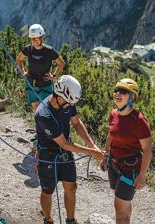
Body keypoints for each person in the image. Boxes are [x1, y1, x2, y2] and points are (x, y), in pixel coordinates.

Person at [35, 75, 104, 224]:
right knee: (48, 191)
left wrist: (92, 145)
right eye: (68, 103)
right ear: (59, 97)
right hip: (48, 154)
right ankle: (48, 219)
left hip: (64, 153)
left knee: (71, 187)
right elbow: (64, 144)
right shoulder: (43, 115)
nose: (69, 106)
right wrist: (91, 152)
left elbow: (77, 123)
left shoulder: (67, 100)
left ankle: (71, 220)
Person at [100, 78, 152, 224]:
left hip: (130, 169)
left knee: (119, 208)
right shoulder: (113, 114)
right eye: (116, 90)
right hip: (114, 164)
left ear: (132, 97)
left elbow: (147, 150)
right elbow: (111, 135)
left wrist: (142, 175)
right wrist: (106, 155)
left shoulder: (139, 121)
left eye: (123, 91)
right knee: (122, 203)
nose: (117, 93)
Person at [16, 24, 65, 111]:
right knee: (35, 106)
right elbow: (18, 59)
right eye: (32, 38)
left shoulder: (49, 50)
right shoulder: (28, 49)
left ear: (41, 37)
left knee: (48, 107)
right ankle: (40, 123)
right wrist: (23, 71)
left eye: (36, 38)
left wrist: (53, 76)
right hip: (32, 83)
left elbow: (61, 63)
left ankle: (47, 123)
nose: (34, 41)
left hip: (45, 84)